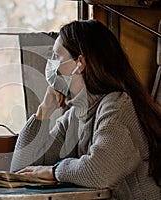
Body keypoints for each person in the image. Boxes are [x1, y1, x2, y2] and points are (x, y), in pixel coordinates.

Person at [10, 19, 161, 199]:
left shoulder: (118, 107)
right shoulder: (75, 113)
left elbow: (99, 172)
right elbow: (21, 169)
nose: (51, 65)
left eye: (57, 57)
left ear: (79, 63)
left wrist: (54, 171)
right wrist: (43, 112)